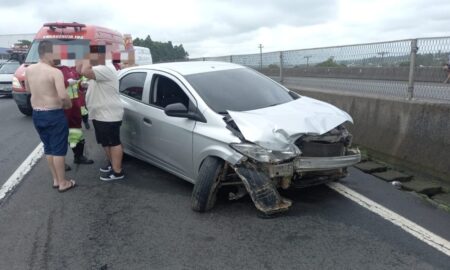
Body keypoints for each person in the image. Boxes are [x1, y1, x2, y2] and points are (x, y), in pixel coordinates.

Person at [25, 40, 76, 192]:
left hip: (37, 114)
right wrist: (68, 104)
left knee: (48, 148)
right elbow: (62, 96)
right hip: (53, 114)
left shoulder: (29, 69)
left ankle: (55, 179)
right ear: (47, 53)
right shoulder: (55, 72)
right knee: (58, 150)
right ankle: (63, 183)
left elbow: (28, 90)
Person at [77, 45, 125, 181]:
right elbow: (80, 70)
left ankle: (117, 171)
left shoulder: (104, 67)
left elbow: (84, 71)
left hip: (108, 114)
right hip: (100, 113)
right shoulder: (99, 68)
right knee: (106, 142)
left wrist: (87, 56)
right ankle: (112, 164)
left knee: (113, 142)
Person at [58, 65, 94, 165]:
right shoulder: (54, 70)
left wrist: (81, 84)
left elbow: (79, 82)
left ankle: (79, 157)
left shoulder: (72, 68)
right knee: (60, 134)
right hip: (62, 106)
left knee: (76, 132)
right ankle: (60, 163)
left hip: (74, 105)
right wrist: (67, 83)